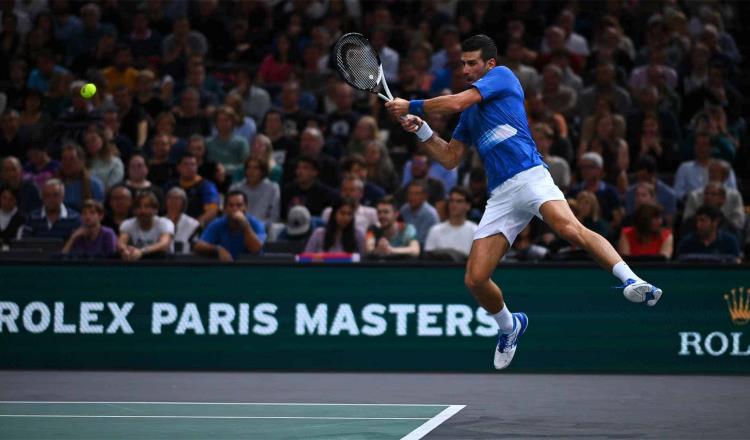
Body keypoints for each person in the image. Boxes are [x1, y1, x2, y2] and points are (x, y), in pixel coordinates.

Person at [385, 34, 662, 370]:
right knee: (475, 279)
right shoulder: (470, 115)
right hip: (501, 195)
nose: (467, 69)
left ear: (489, 64)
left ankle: (632, 281)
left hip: (530, 176)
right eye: (463, 64)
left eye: (473, 63)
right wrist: (422, 129)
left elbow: (455, 102)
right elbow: (450, 158)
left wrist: (411, 105)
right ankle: (509, 325)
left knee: (569, 228)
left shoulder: (502, 77)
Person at [194, 190, 266, 262]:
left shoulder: (256, 224)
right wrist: (218, 249)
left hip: (251, 268)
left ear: (246, 207)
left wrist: (245, 224)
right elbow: (198, 246)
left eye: (239, 205)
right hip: (225, 269)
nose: (235, 209)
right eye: (231, 205)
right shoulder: (217, 224)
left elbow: (256, 249)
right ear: (225, 208)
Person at [118, 191, 173, 261]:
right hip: (137, 264)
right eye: (139, 207)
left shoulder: (165, 223)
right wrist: (125, 250)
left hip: (162, 263)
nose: (142, 210)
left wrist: (141, 251)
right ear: (134, 210)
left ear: (155, 210)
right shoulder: (127, 224)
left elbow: (164, 244)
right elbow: (121, 243)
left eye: (147, 207)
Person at [424, 187, 478, 258]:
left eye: (459, 201)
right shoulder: (435, 230)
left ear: (468, 206)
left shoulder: (476, 231)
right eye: (451, 201)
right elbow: (428, 258)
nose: (454, 204)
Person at [676, 205, 741, 263]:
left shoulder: (730, 241)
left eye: (703, 220)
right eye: (697, 221)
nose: (698, 225)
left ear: (715, 222)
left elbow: (736, 266)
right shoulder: (687, 242)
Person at [229, 157, 280, 224]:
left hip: (263, 230)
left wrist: (257, 227)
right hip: (238, 227)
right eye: (249, 168)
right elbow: (228, 213)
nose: (251, 171)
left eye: (256, 168)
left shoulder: (273, 188)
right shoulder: (235, 188)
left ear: (263, 171)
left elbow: (274, 217)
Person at [164, 187, 201, 255]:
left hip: (185, 260)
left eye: (178, 199)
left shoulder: (193, 224)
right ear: (166, 201)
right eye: (171, 198)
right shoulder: (160, 222)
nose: (174, 201)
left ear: (183, 203)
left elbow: (196, 247)